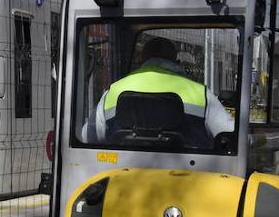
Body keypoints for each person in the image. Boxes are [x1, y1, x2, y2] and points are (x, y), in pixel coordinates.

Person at [83, 36, 234, 145]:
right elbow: (231, 137)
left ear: (142, 61)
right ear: (177, 62)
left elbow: (88, 137)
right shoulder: (200, 94)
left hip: (125, 178)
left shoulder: (113, 91)